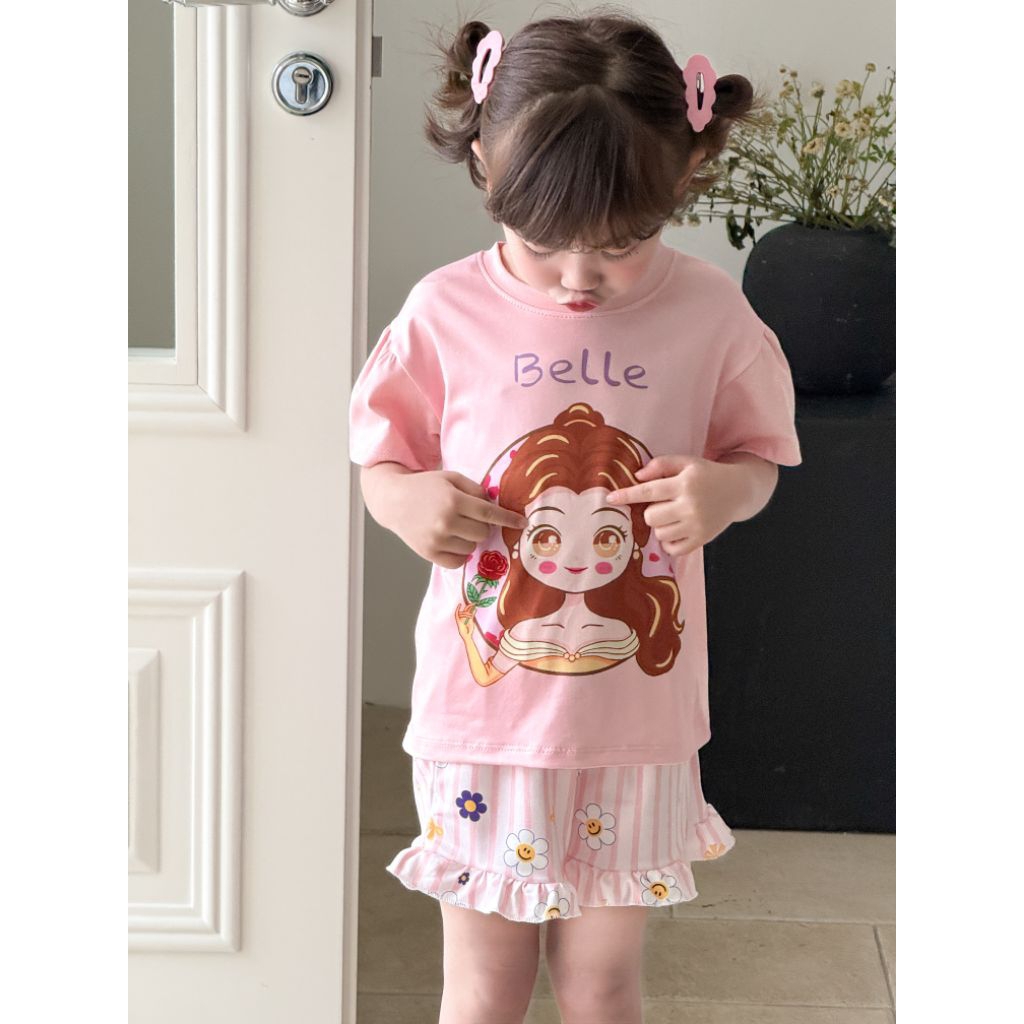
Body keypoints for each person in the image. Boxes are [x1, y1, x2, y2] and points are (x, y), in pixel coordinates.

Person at [349, 9, 803, 1023]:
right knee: (484, 987)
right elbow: (381, 457)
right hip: (481, 722)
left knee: (602, 985)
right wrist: (404, 499)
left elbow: (760, 457)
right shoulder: (443, 313)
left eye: (624, 243)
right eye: (545, 240)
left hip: (634, 726)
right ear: (483, 165)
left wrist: (724, 492)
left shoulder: (711, 316)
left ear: (685, 177)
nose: (580, 276)